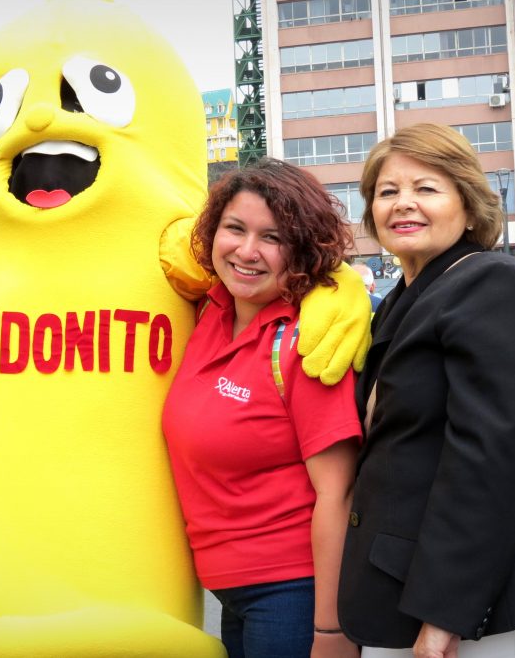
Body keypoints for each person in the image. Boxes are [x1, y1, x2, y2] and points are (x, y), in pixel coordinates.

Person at [339, 123, 515, 657]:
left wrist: (444, 612)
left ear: (470, 207)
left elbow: (491, 457)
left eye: (426, 188)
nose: (403, 203)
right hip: (406, 588)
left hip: (481, 610)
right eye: (387, 192)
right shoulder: (405, 299)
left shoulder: (491, 282)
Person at [162, 158, 362, 658]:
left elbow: (337, 495)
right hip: (232, 589)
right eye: (235, 228)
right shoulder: (211, 312)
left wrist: (331, 630)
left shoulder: (305, 341)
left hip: (291, 590)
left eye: (272, 237)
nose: (247, 252)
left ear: (301, 250)